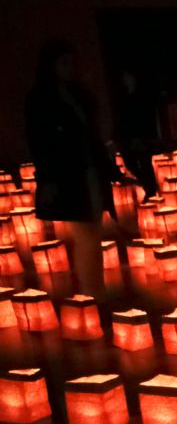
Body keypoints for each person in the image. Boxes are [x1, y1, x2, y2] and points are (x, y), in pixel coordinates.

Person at [25, 40, 120, 296]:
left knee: (93, 236)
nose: (70, 68)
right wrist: (48, 179)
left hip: (91, 173)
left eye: (72, 62)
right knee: (86, 236)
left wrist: (111, 170)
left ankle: (94, 291)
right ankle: (92, 294)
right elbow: (40, 142)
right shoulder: (41, 99)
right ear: (51, 66)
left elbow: (92, 136)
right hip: (70, 177)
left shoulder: (79, 95)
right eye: (64, 63)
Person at [114, 69, 161, 200]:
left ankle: (150, 189)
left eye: (128, 77)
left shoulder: (140, 97)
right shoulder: (125, 97)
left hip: (140, 136)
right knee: (133, 162)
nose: (126, 80)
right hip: (130, 137)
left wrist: (143, 136)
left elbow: (143, 117)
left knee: (144, 162)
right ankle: (149, 187)